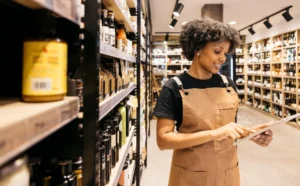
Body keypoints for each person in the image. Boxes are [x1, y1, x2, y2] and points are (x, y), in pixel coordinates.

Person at [153, 17, 274, 186]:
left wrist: (251, 134)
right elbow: (164, 140)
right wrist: (215, 133)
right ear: (197, 49)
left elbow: (227, 128)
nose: (223, 58)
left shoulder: (228, 85)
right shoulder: (174, 87)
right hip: (190, 176)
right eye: (217, 51)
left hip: (228, 173)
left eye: (225, 53)